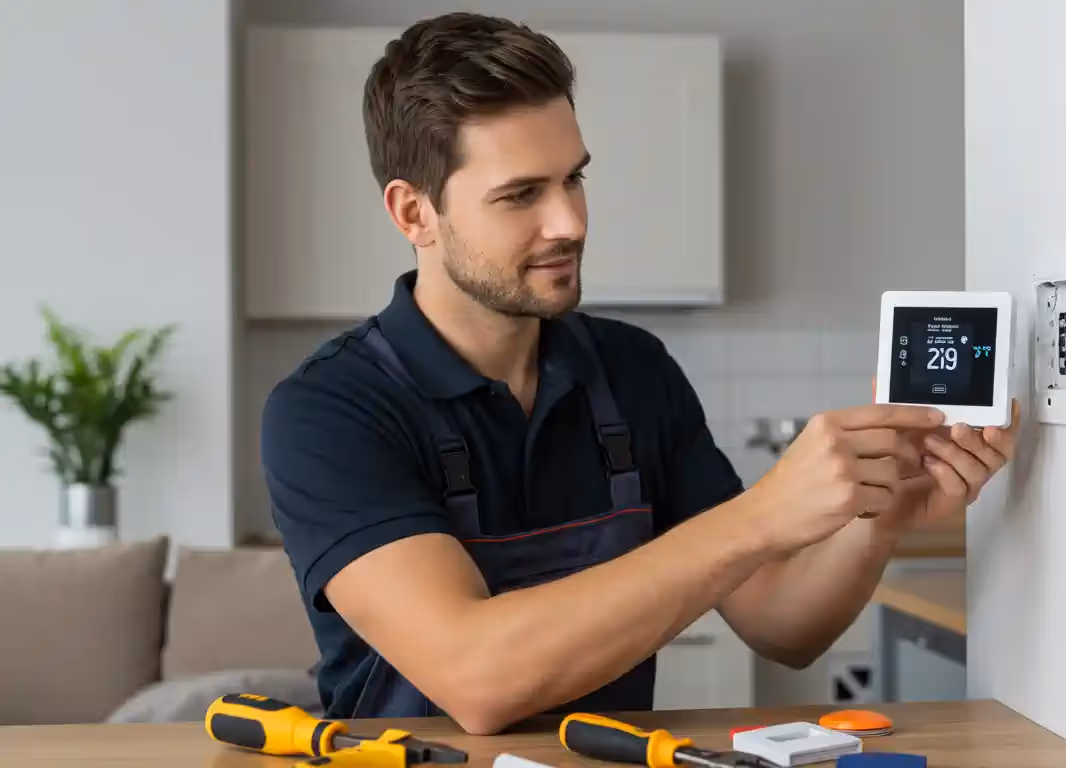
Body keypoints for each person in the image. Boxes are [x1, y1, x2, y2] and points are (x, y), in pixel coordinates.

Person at [261, 11, 1020, 735]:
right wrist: (764, 514)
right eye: (521, 195)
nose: (569, 222)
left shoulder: (632, 370)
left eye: (574, 179)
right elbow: (478, 678)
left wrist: (879, 514)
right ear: (413, 213)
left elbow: (783, 626)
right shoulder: (328, 411)